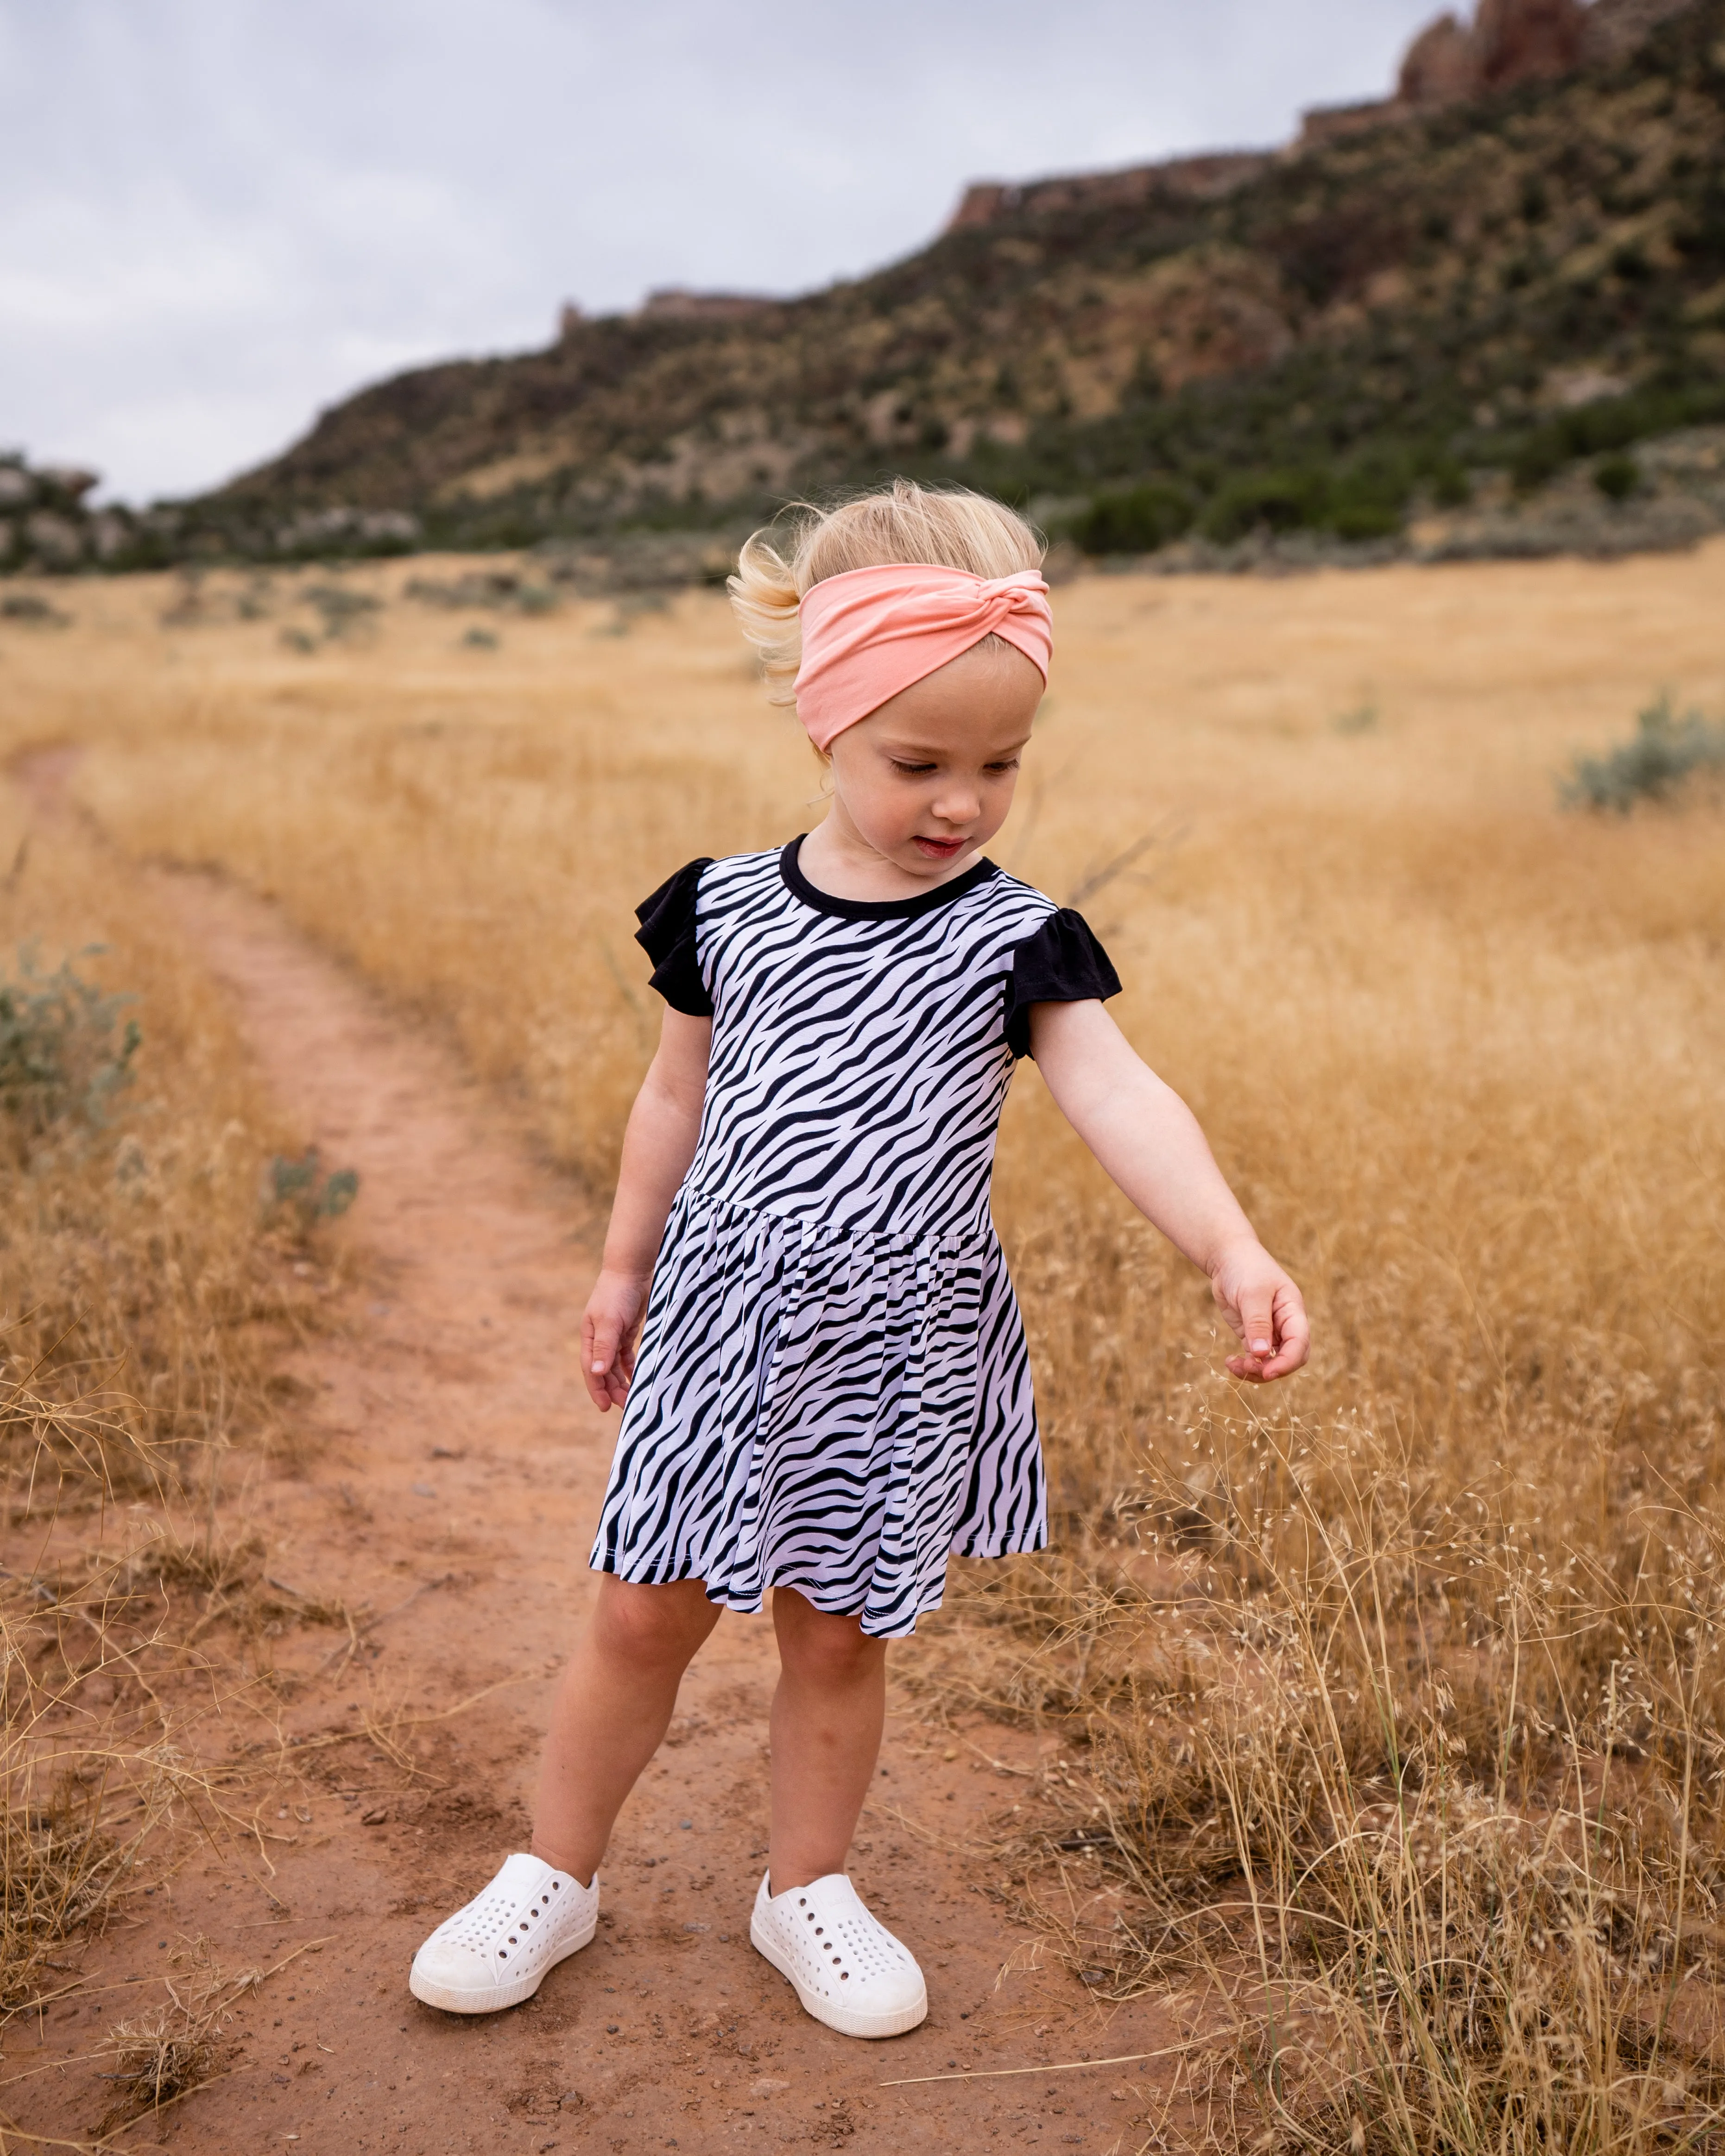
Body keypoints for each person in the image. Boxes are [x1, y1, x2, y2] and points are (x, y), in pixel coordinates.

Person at [408, 480, 1308, 2040]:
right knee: (641, 1612)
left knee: (837, 1625)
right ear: (823, 724)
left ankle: (804, 1885)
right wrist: (621, 1271)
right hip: (716, 1318)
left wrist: (1229, 1244)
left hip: (897, 1340)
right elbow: (672, 1096)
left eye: (1000, 764)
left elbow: (1115, 1090)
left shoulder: (1017, 934)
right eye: (919, 762)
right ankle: (553, 1872)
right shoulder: (724, 908)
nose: (962, 800)